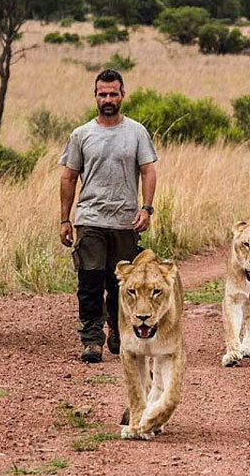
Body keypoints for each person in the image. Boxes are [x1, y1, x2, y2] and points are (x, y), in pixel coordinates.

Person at [59, 69, 158, 363]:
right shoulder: (82, 134)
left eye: (113, 94)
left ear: (123, 95)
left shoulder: (137, 132)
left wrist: (146, 207)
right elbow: (68, 178)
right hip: (90, 219)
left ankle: (118, 330)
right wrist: (65, 219)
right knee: (89, 282)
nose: (108, 99)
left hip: (125, 221)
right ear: (95, 96)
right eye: (103, 94)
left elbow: (148, 171)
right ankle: (91, 339)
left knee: (121, 285)